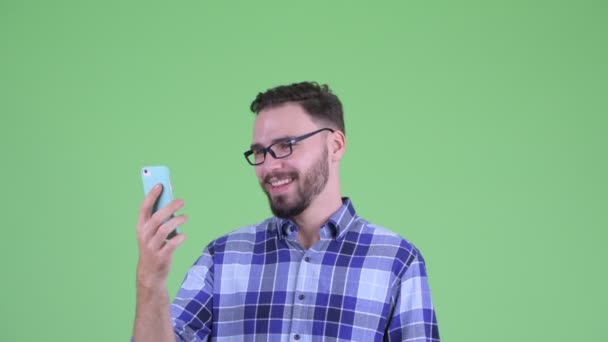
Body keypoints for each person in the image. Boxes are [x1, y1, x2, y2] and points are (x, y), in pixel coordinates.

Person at [132, 82, 440, 341]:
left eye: (285, 145)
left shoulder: (397, 261)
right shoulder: (222, 257)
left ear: (335, 146)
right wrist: (151, 280)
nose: (269, 166)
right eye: (259, 152)